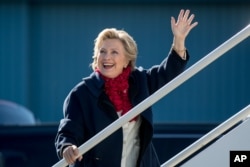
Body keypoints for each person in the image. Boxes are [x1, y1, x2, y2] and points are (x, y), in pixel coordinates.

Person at [55, 9, 198, 167]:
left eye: (114, 52)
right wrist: (67, 147)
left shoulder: (140, 81)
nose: (107, 57)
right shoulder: (82, 93)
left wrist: (179, 40)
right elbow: (68, 130)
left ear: (126, 61)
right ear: (96, 59)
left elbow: (168, 72)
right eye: (102, 52)